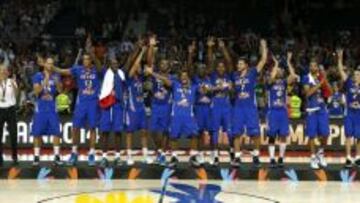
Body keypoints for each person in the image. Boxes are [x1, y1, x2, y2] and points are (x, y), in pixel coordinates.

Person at [51, 50, 104, 166]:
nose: (85, 61)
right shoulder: (78, 69)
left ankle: (91, 154)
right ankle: (74, 153)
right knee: (75, 128)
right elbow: (63, 71)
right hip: (81, 103)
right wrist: (53, 67)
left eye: (87, 59)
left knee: (92, 128)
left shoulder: (97, 69)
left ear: (91, 60)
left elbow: (100, 66)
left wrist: (94, 55)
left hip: (93, 102)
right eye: (84, 59)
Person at [146, 67, 202, 168]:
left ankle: (193, 157)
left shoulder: (194, 87)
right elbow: (164, 79)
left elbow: (203, 90)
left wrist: (206, 88)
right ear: (179, 78)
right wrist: (152, 73)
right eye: (182, 76)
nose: (184, 78)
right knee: (173, 137)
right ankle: (174, 157)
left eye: (186, 76)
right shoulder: (175, 85)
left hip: (189, 116)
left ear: (189, 77)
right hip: (176, 116)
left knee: (194, 135)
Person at [231, 39, 268, 168]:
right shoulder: (234, 75)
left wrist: (263, 47)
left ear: (246, 65)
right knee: (236, 133)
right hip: (238, 107)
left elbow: (263, 60)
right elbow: (232, 88)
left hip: (250, 108)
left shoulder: (252, 72)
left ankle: (256, 156)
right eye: (238, 64)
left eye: (240, 64)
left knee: (255, 133)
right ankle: (237, 158)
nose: (238, 65)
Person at [266, 52, 298, 168]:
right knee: (272, 136)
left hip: (282, 112)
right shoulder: (269, 82)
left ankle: (280, 158)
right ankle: (271, 158)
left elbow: (293, 76)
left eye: (280, 70)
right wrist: (276, 64)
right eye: (277, 70)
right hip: (272, 112)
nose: (279, 71)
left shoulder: (284, 83)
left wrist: (289, 62)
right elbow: (271, 77)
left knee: (283, 135)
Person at [124, 45, 153, 165]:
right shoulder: (129, 77)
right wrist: (142, 51)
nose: (140, 68)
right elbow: (136, 65)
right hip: (132, 109)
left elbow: (150, 64)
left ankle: (145, 155)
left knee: (144, 132)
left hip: (141, 108)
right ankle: (129, 156)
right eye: (138, 67)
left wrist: (150, 48)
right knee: (129, 133)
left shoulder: (142, 78)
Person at [31, 57, 63, 166]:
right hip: (40, 108)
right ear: (45, 64)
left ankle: (57, 156)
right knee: (37, 133)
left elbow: (60, 90)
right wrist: (45, 80)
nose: (50, 65)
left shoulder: (56, 76)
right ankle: (36, 157)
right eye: (49, 63)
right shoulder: (37, 76)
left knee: (56, 132)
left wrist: (57, 83)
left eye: (52, 63)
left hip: (52, 108)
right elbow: (36, 92)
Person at [207, 37, 233, 166]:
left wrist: (223, 48)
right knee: (215, 131)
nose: (221, 68)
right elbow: (210, 62)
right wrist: (210, 47)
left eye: (223, 67)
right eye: (219, 67)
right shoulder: (212, 76)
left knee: (229, 131)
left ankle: (232, 153)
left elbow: (229, 61)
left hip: (227, 107)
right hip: (215, 106)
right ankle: (215, 155)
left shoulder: (229, 75)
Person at [147, 36, 171, 165]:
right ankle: (159, 150)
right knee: (153, 131)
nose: (163, 65)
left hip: (166, 106)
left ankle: (162, 154)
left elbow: (167, 83)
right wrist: (151, 46)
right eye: (161, 63)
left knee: (165, 130)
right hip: (155, 105)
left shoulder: (172, 76)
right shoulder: (154, 71)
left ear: (168, 67)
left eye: (165, 64)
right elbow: (150, 61)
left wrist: (153, 74)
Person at [302, 58, 331, 169]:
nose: (312, 67)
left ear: (317, 67)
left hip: (322, 108)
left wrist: (325, 82)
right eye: (311, 66)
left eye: (314, 66)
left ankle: (320, 153)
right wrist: (319, 85)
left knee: (325, 133)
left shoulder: (321, 77)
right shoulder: (306, 78)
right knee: (312, 135)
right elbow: (308, 93)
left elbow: (330, 93)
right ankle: (313, 157)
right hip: (311, 109)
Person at [98, 58, 126, 167]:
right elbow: (97, 62)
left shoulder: (121, 73)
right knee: (105, 132)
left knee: (118, 131)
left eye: (116, 63)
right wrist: (91, 53)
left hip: (117, 104)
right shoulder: (105, 72)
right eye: (113, 63)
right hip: (106, 104)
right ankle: (104, 157)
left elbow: (129, 62)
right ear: (109, 65)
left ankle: (117, 156)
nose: (115, 65)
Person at [337, 49, 360, 168]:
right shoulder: (349, 82)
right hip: (349, 112)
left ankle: (357, 157)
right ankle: (348, 157)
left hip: (359, 113)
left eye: (358, 75)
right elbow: (341, 70)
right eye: (355, 74)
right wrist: (340, 59)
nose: (356, 76)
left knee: (359, 136)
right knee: (348, 135)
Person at [0, 65, 18, 166]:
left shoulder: (12, 81)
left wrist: (15, 85)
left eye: (5, 70)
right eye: (1, 70)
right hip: (0, 110)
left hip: (11, 110)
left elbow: (16, 95)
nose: (3, 72)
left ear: (8, 72)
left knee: (13, 134)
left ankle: (15, 157)